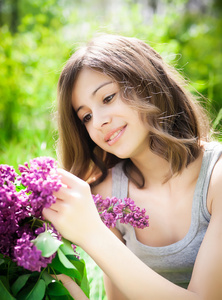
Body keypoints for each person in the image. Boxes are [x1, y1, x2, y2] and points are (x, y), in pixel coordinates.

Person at [43, 34, 222, 300]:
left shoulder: (216, 177)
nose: (99, 122)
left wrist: (92, 233)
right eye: (86, 116)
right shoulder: (109, 193)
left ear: (148, 82)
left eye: (107, 98)